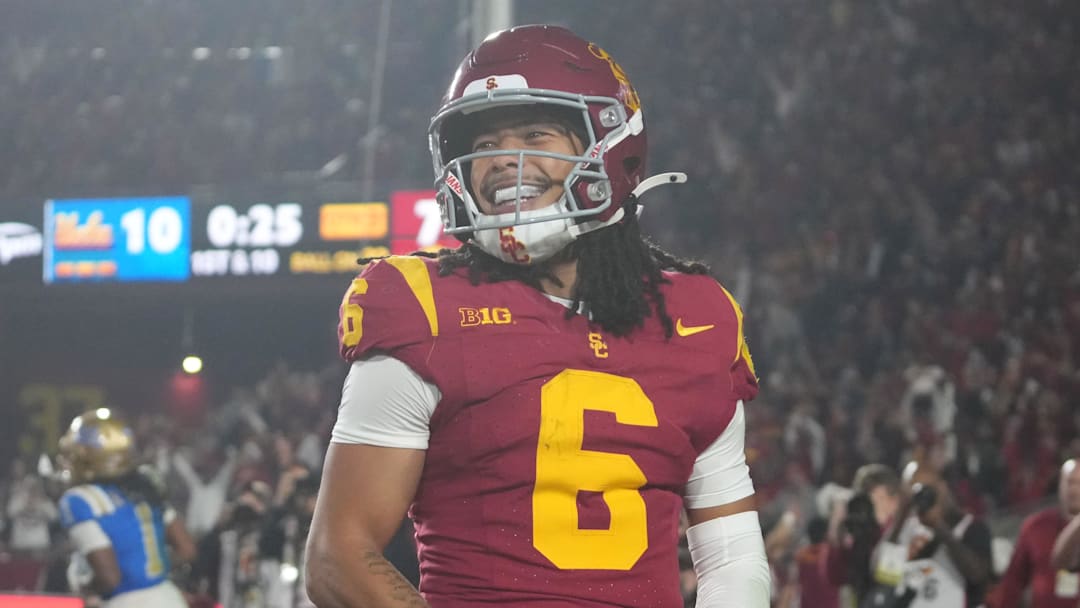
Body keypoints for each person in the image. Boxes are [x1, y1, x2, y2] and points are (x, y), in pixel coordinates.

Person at [306, 24, 770, 608]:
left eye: (534, 133)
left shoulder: (698, 316)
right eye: (484, 144)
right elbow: (338, 558)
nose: (502, 160)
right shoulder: (422, 306)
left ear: (609, 146)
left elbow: (731, 555)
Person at [56, 408, 196, 607]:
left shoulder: (80, 500)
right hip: (168, 597)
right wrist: (147, 568)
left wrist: (87, 586)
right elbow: (187, 549)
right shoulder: (145, 485)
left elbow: (110, 578)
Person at [993, 458, 1080, 607]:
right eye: (1069, 482)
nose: (1073, 489)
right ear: (1060, 484)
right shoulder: (1036, 526)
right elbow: (1013, 583)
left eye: (1078, 483)